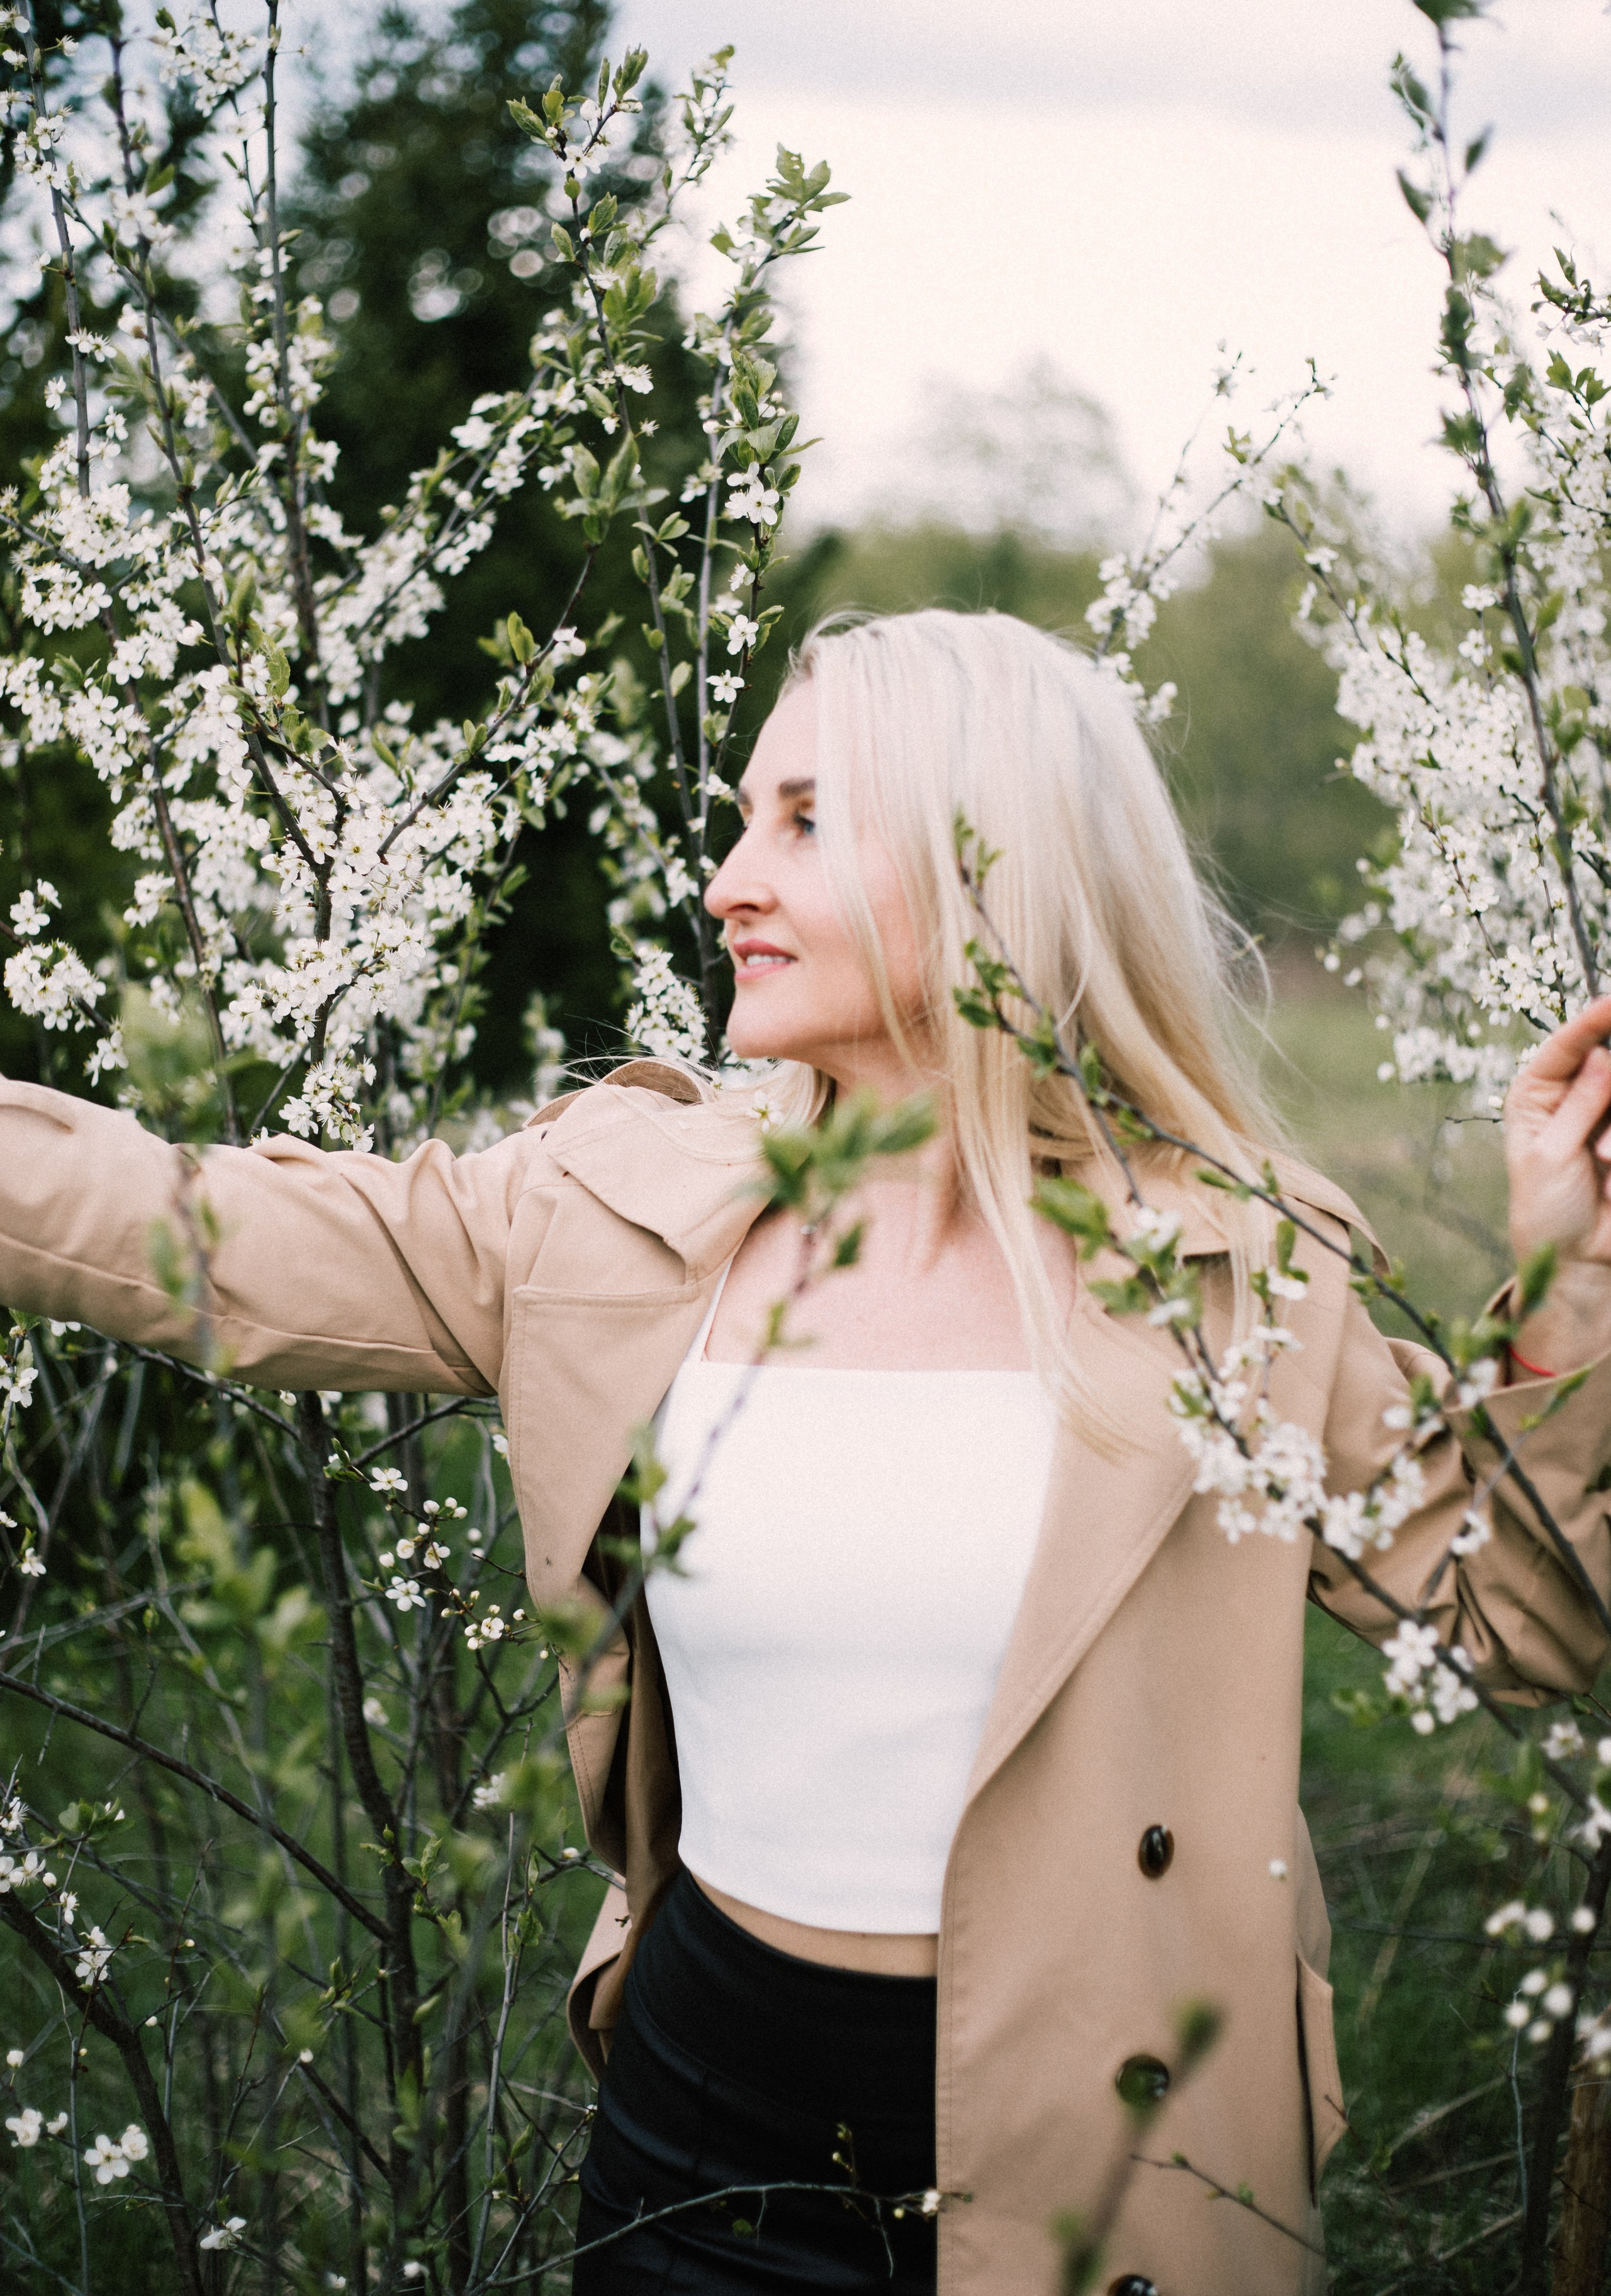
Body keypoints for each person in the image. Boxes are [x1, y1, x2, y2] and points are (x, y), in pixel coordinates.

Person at [1, 610, 1610, 2295]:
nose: (726, 883)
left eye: (808, 821)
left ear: (998, 866)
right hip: (701, 2137)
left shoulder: (1237, 1271)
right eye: (743, 820)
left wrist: (1572, 1300)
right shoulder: (611, 1210)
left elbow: (1524, 1618)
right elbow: (199, 1234)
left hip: (1115, 2171)